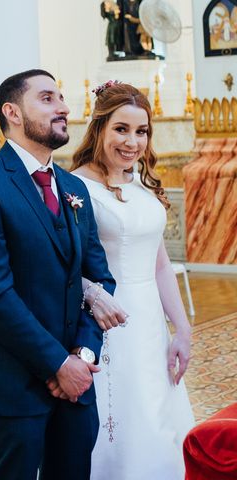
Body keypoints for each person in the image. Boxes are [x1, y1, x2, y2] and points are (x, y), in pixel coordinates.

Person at [0, 69, 120, 480]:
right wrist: (56, 364)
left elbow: (100, 281)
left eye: (60, 97)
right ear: (12, 112)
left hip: (77, 386)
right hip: (12, 387)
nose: (62, 107)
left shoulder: (70, 187)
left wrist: (82, 356)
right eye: (47, 98)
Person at [71, 80, 194, 479]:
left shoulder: (140, 181)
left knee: (157, 412)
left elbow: (159, 265)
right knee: (120, 415)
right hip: (106, 319)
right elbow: (67, 266)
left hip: (150, 323)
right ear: (99, 128)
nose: (132, 142)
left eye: (141, 131)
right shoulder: (77, 187)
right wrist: (92, 296)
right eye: (121, 129)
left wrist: (182, 329)